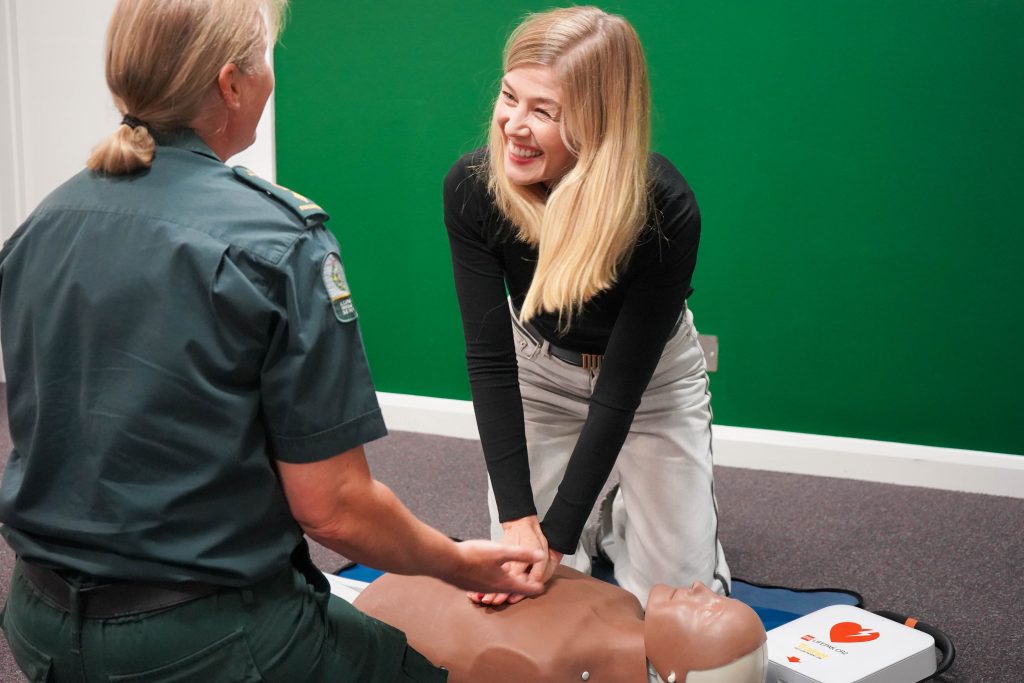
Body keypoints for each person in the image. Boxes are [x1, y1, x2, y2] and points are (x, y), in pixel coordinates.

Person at [0, 1, 543, 681]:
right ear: (231, 84)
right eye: (265, 59)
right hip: (201, 640)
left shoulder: (41, 225)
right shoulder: (280, 242)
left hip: (37, 625)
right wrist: (461, 561)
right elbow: (336, 511)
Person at [443, 5, 730, 609]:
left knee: (673, 605)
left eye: (543, 111)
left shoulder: (664, 208)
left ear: (600, 123)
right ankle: (601, 511)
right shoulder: (472, 186)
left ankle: (623, 512)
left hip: (652, 386)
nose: (512, 126)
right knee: (523, 585)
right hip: (539, 374)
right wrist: (522, 521)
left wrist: (560, 536)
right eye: (508, 96)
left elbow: (621, 390)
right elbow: (490, 362)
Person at [353, 565, 768, 683]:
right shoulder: (622, 602)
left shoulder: (545, 665)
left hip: (371, 622)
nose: (699, 587)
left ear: (675, 674)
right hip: (395, 590)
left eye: (708, 609)